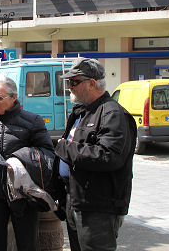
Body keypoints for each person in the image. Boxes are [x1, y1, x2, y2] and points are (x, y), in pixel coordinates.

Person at [53, 57, 136, 251]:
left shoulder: (112, 113)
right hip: (76, 200)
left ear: (91, 83)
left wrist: (65, 148)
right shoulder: (81, 112)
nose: (69, 87)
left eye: (74, 82)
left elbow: (108, 156)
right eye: (68, 82)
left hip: (98, 206)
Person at [0, 75, 54, 251]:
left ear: (14, 97)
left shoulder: (33, 121)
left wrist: (19, 159)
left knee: (27, 243)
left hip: (22, 191)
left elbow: (47, 154)